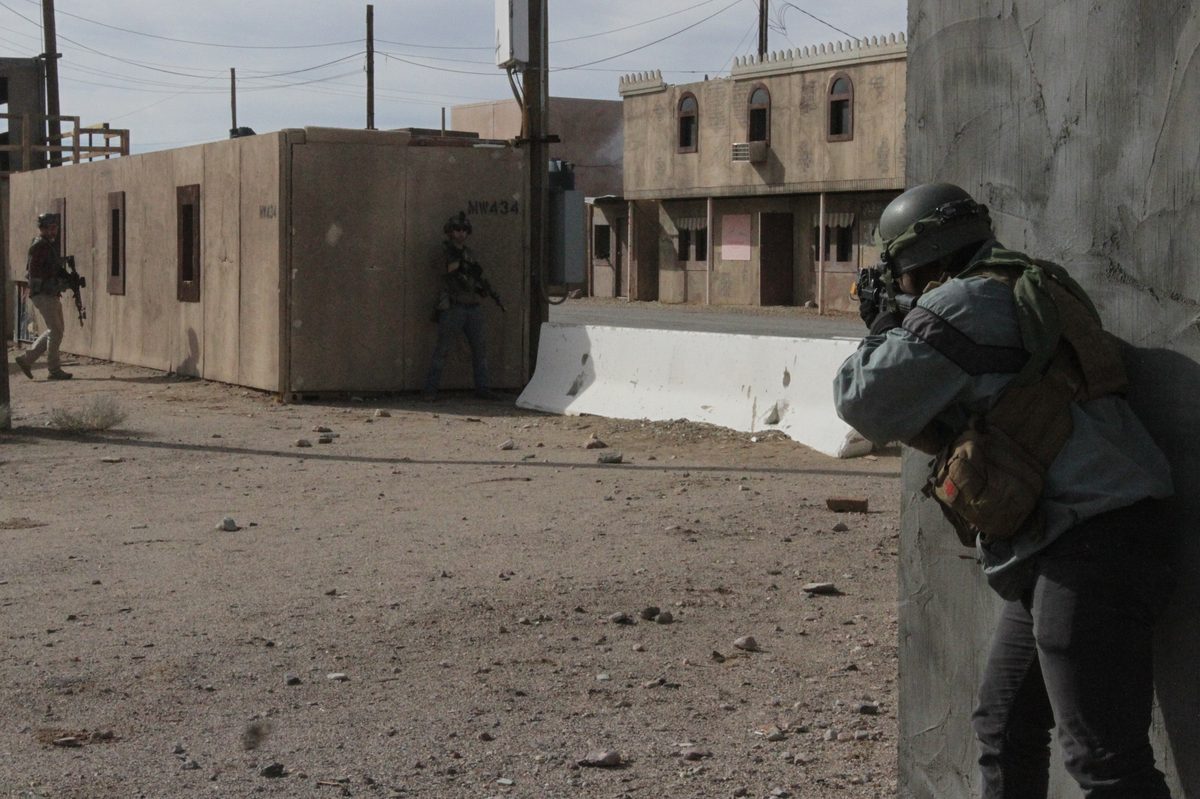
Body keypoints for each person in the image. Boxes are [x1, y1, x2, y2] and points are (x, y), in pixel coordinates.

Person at [833, 183, 1175, 798]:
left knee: (1106, 761)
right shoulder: (1035, 282)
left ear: (919, 262)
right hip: (1068, 539)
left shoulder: (962, 302)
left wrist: (885, 324)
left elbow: (863, 401)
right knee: (1005, 724)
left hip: (1090, 543)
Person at [423, 211, 503, 402]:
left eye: (463, 230)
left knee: (480, 350)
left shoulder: (469, 253)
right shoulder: (445, 251)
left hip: (472, 305)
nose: (460, 234)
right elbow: (443, 270)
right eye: (457, 230)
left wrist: (483, 288)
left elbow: (476, 277)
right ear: (450, 232)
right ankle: (430, 390)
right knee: (442, 350)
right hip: (453, 306)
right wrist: (461, 264)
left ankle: (482, 388)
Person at [14, 212, 72, 381]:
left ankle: (27, 359)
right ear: (43, 229)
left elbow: (51, 269)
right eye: (50, 228)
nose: (53, 231)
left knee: (57, 330)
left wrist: (66, 279)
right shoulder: (39, 246)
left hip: (49, 294)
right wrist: (54, 285)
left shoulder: (46, 245)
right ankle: (54, 370)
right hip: (43, 294)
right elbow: (34, 274)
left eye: (55, 228)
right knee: (56, 330)